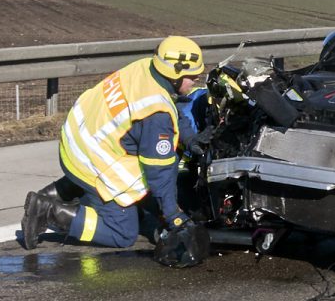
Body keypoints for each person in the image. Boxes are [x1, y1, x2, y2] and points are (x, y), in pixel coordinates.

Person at [20, 35, 206, 252]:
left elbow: (171, 109)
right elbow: (159, 172)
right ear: (175, 74)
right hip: (91, 162)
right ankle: (48, 211)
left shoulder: (146, 68)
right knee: (122, 232)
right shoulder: (155, 114)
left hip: (77, 140)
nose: (196, 80)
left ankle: (53, 192)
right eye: (192, 76)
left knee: (140, 183)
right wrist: (173, 214)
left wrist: (190, 139)